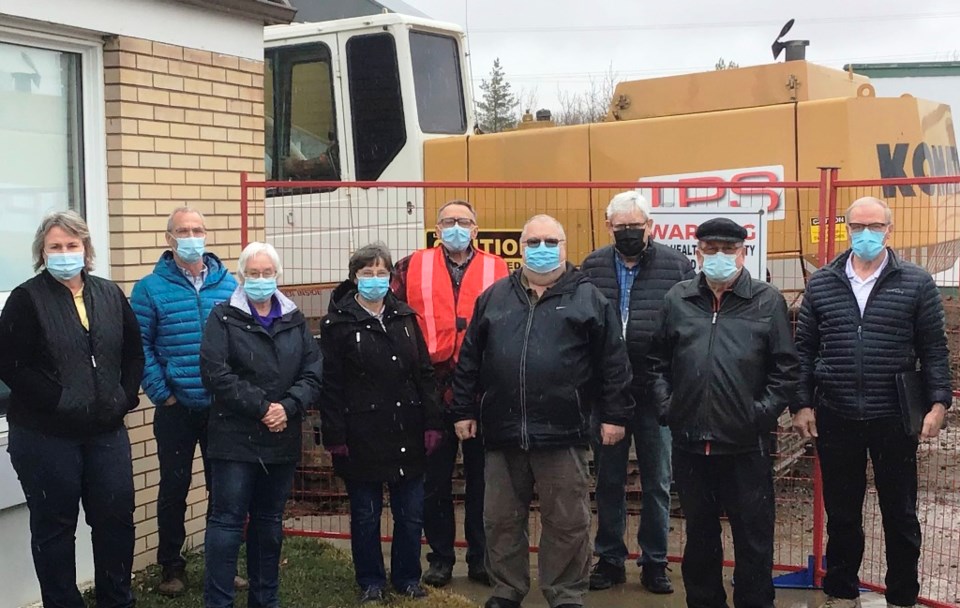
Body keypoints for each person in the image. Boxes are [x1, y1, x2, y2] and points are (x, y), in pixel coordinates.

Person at [451, 214, 634, 608]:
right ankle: (506, 589)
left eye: (551, 242)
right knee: (500, 521)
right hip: (502, 431)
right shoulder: (495, 297)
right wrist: (463, 410)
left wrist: (615, 416)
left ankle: (565, 593)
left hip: (563, 432)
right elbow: (469, 360)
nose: (542, 250)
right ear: (520, 247)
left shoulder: (588, 298)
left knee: (567, 521)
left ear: (566, 247)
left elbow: (613, 365)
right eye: (533, 242)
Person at [794, 197, 952, 608]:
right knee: (843, 515)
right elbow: (804, 349)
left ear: (889, 230)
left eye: (875, 226)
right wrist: (802, 403)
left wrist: (938, 403)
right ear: (847, 229)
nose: (866, 234)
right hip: (837, 413)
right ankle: (841, 591)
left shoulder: (916, 283)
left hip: (894, 415)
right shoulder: (824, 283)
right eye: (858, 226)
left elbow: (934, 348)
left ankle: (902, 596)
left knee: (900, 514)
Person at [646, 217, 800, 608]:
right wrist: (669, 407)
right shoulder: (677, 299)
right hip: (690, 443)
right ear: (697, 253)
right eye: (710, 249)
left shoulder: (767, 301)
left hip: (746, 446)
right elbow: (657, 361)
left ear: (743, 253)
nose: (719, 257)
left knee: (753, 536)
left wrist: (759, 415)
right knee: (699, 535)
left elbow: (785, 368)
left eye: (728, 250)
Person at [0, 210, 144, 608]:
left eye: (72, 245)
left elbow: (133, 353)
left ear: (86, 249)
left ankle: (117, 600)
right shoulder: (26, 299)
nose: (65, 253)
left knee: (116, 522)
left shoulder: (109, 293)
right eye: (55, 247)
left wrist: (125, 397)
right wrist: (62, 401)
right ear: (42, 253)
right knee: (55, 529)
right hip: (46, 436)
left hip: (106, 432)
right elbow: (12, 365)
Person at [580, 191, 694, 593]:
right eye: (621, 226)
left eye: (637, 226)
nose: (629, 232)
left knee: (657, 481)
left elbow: (688, 329)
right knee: (607, 481)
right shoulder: (591, 266)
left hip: (654, 393)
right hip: (608, 395)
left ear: (651, 226)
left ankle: (654, 561)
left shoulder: (678, 266)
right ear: (609, 226)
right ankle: (609, 559)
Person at [391, 199, 509, 587]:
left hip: (482, 390)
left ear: (476, 229)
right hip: (431, 390)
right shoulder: (411, 266)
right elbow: (393, 315)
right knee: (434, 483)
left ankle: (480, 558)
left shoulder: (498, 267)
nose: (456, 227)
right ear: (437, 228)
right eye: (448, 221)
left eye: (464, 221)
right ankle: (440, 558)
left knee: (483, 482)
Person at [199, 242, 322, 608]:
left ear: (277, 276)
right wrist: (262, 407)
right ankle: (219, 601)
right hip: (235, 438)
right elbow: (215, 373)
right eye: (253, 273)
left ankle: (265, 599)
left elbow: (313, 372)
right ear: (241, 277)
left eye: (267, 273)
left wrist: (287, 406)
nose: (261, 280)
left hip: (280, 438)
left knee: (269, 524)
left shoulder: (293, 318)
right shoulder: (222, 317)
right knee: (227, 523)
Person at [320, 242, 442, 603]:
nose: (375, 279)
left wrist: (432, 421)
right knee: (366, 515)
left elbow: (424, 373)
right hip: (361, 436)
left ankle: (407, 577)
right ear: (354, 277)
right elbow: (331, 384)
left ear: (391, 278)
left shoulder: (405, 318)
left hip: (407, 429)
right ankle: (370, 580)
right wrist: (335, 436)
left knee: (410, 515)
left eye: (381, 272)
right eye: (367, 272)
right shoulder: (337, 324)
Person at [130, 206, 238, 596]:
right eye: (183, 230)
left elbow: (242, 342)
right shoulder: (149, 289)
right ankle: (171, 568)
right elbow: (138, 346)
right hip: (176, 408)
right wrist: (163, 392)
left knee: (223, 489)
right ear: (168, 239)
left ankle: (220, 562)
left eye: (197, 229)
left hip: (222, 408)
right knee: (173, 488)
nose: (191, 236)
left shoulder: (228, 285)